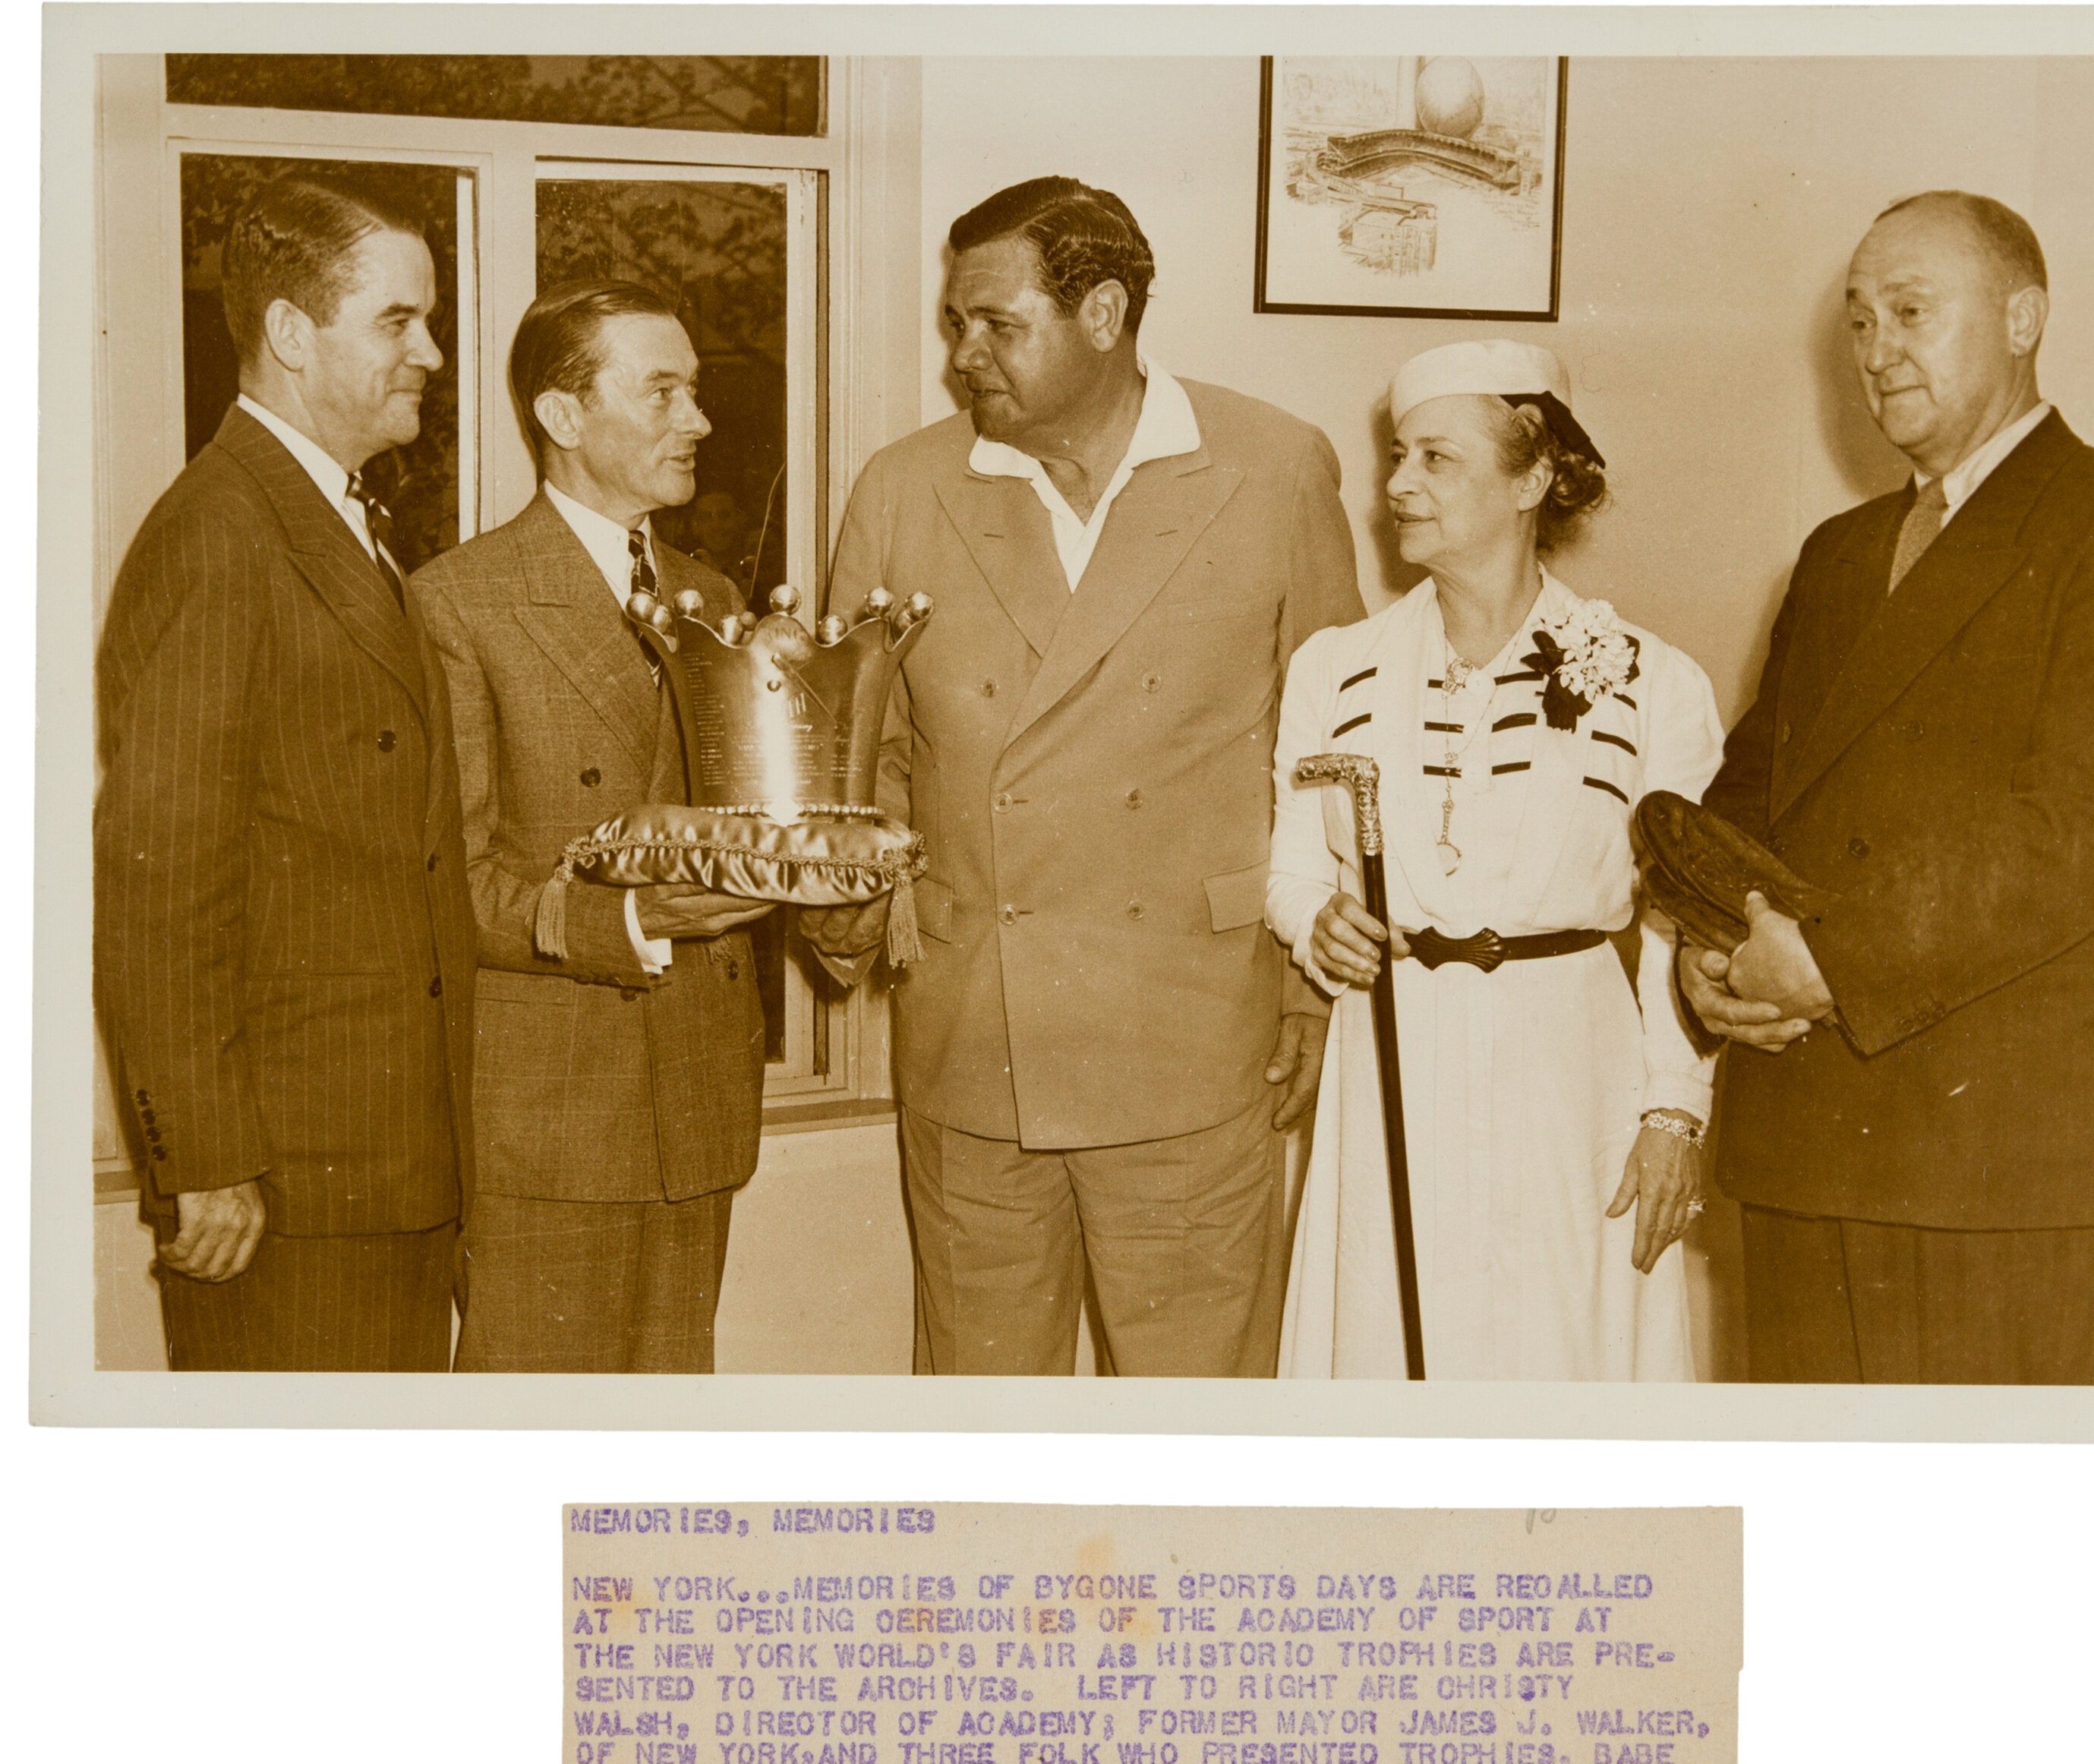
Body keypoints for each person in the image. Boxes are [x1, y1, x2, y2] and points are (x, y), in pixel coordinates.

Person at [812, 176, 1365, 1377]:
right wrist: (852, 914)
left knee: (1192, 1439)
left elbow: (1330, 759)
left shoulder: (1272, 470)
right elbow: (861, 763)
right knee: (984, 1428)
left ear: (1104, 313)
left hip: (1194, 1044)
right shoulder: (904, 489)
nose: (963, 356)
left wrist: (1315, 995)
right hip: (973, 1046)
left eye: (994, 324)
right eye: (956, 323)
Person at [1678, 191, 2094, 1384]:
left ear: (2025, 317)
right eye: (1859, 323)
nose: (1877, 351)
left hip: (1993, 1161)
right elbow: (1744, 798)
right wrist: (1710, 952)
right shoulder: (1839, 553)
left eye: (1911, 310)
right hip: (1804, 1136)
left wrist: (1829, 961)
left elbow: (2085, 826)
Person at [1269, 342, 1725, 1381]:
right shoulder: (1334, 668)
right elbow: (1292, 866)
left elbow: (1679, 928)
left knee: (1560, 1343)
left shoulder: (1654, 681)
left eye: (1436, 458)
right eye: (1397, 455)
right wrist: (1312, 919)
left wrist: (1672, 1109)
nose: (1396, 486)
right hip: (1393, 1050)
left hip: (1573, 1069)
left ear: (1533, 479)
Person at [94, 173, 475, 1371]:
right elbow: (161, 879)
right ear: (292, 334)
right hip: (282, 1187)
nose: (433, 350)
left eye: (429, 319)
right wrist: (204, 1156)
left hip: (382, 1163)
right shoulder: (220, 534)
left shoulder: (331, 521)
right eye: (398, 321)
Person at [409, 282, 768, 1373]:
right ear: (563, 417)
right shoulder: (456, 603)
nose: (697, 420)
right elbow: (450, 886)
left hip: (699, 1102)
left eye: (695, 391)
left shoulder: (712, 597)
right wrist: (631, 920)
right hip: (548, 1118)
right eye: (662, 391)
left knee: (666, 1456)